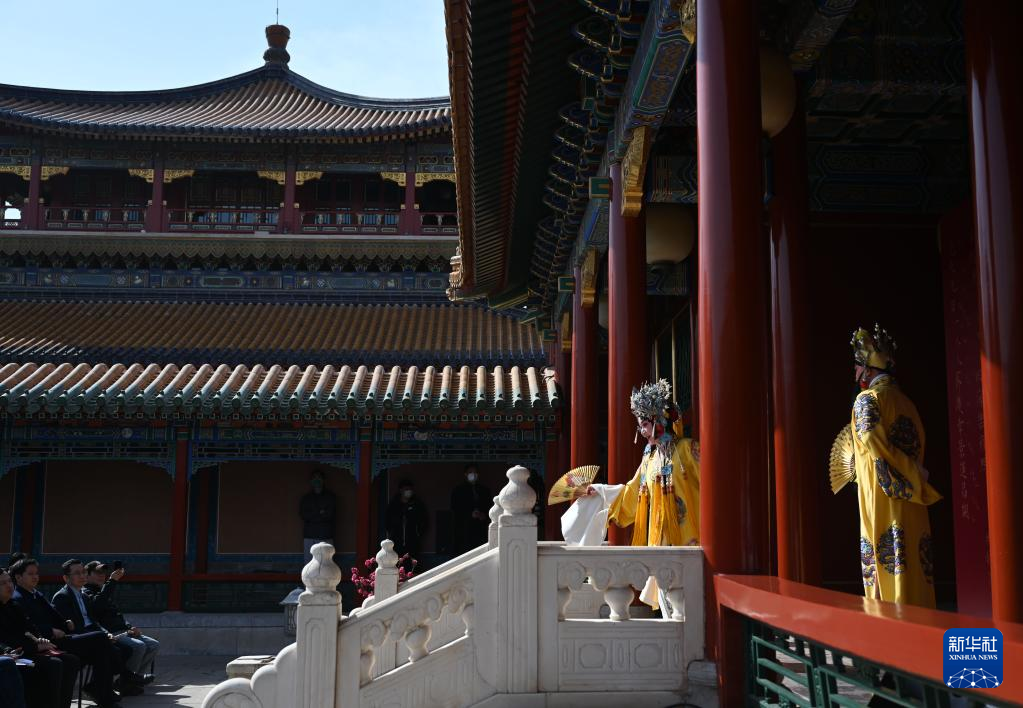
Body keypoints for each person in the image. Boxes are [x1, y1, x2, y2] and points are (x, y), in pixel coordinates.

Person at [567, 379, 700, 615]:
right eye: (641, 426)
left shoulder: (688, 450)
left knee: (693, 602)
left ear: (660, 420)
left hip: (691, 537)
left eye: (646, 424)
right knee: (670, 604)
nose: (643, 432)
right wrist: (599, 492)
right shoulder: (649, 460)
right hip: (660, 539)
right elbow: (631, 491)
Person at [849, 325, 941, 608]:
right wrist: (914, 474)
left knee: (889, 560)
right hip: (912, 494)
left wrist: (909, 471)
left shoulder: (867, 400)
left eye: (857, 367)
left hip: (882, 496)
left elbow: (872, 442)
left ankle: (889, 625)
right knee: (915, 561)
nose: (855, 373)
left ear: (868, 370)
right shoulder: (908, 404)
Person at [10, 558, 120, 706]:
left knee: (101, 650)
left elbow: (54, 615)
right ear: (18, 577)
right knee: (100, 640)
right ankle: (110, 686)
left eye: (36, 573)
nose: (35, 577)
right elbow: (27, 625)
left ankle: (103, 697)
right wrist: (51, 630)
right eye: (30, 574)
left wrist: (65, 623)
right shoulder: (18, 598)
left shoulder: (36, 594)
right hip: (47, 641)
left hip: (60, 637)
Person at [0, 566, 80, 708]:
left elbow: (30, 629)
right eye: (3, 583)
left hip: (27, 649)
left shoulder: (14, 605)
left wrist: (39, 639)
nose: (9, 586)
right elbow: (5, 641)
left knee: (71, 660)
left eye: (9, 581)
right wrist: (33, 646)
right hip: (15, 654)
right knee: (53, 664)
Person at [84, 561, 158, 686]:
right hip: (109, 633)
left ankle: (135, 678)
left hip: (122, 630)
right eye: (97, 573)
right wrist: (111, 581)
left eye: (103, 573)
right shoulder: (86, 592)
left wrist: (130, 627)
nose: (102, 576)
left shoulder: (104, 590)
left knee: (153, 644)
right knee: (139, 646)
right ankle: (127, 681)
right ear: (87, 575)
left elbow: (117, 615)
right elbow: (97, 606)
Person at [450, 465, 493, 554]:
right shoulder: (458, 490)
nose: (473, 474)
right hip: (464, 527)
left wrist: (484, 514)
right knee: (464, 550)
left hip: (480, 527)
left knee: (480, 549)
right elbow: (455, 507)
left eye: (475, 472)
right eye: (470, 472)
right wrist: (470, 514)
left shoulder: (484, 490)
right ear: (465, 474)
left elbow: (489, 506)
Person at [299, 470, 336, 562]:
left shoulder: (330, 497)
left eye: (319, 477)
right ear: (311, 481)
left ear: (323, 480)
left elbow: (330, 515)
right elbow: (303, 515)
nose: (317, 480)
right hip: (310, 534)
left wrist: (313, 514)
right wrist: (320, 512)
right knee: (309, 563)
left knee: (326, 563)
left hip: (325, 534)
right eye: (314, 478)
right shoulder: (306, 498)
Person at [385, 480, 428, 558]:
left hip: (413, 542)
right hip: (396, 541)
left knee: (413, 561)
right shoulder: (394, 505)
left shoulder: (417, 504)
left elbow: (424, 520)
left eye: (410, 489)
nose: (409, 491)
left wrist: (418, 533)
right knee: (398, 562)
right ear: (400, 490)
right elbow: (387, 521)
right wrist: (392, 532)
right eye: (406, 489)